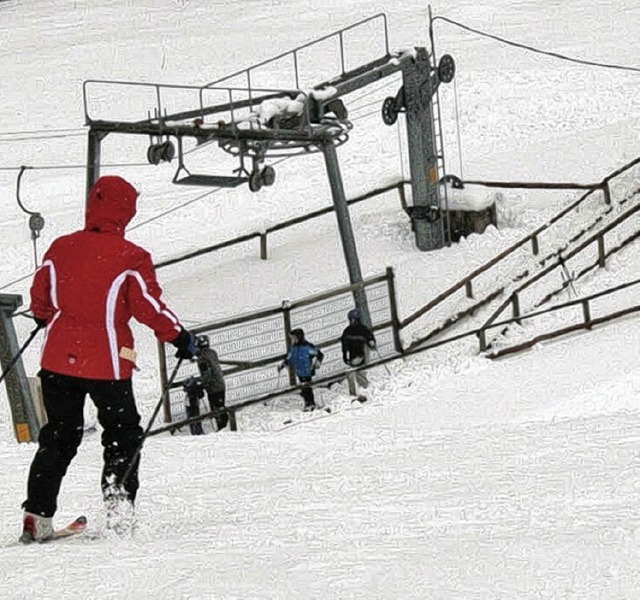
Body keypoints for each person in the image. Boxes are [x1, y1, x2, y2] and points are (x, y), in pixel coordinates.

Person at [20, 175, 197, 543]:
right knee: (121, 436)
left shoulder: (60, 247)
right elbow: (149, 307)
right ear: (127, 210)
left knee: (58, 437)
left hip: (57, 361)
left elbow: (42, 293)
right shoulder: (131, 257)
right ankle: (118, 509)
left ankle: (37, 515)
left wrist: (42, 314)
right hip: (107, 365)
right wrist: (180, 337)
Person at [183, 335, 227, 434]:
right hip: (221, 383)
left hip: (214, 387)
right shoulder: (212, 353)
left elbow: (207, 375)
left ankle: (223, 429)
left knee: (217, 409)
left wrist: (201, 387)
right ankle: (223, 427)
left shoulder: (202, 360)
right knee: (220, 405)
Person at [277, 328, 324, 411]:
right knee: (303, 388)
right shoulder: (294, 348)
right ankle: (307, 403)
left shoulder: (307, 347)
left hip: (307, 370)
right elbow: (289, 358)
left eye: (294, 338)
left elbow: (319, 354)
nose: (292, 340)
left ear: (299, 337)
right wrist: (283, 364)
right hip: (299, 371)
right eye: (292, 338)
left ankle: (311, 403)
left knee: (307, 387)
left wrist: (318, 362)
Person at [340, 308, 376, 398]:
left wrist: (371, 342)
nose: (352, 321)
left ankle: (365, 389)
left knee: (359, 372)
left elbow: (369, 337)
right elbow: (344, 344)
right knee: (351, 374)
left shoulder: (362, 329)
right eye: (351, 319)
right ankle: (354, 393)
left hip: (361, 354)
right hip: (352, 355)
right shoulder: (348, 331)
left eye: (353, 319)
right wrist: (345, 354)